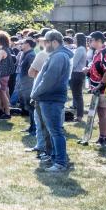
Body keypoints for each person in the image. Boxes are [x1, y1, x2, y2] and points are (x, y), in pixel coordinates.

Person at [29, 30, 73, 172]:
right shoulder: (56, 55)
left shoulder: (59, 56)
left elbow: (49, 79)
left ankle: (60, 162)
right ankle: (54, 157)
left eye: (46, 41)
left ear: (54, 42)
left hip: (51, 98)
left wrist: (35, 93)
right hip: (48, 98)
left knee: (55, 131)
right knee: (52, 130)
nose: (44, 44)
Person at [87, 31, 106, 147]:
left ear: (98, 41)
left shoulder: (105, 52)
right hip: (97, 87)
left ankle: (104, 137)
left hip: (102, 88)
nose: (89, 42)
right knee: (102, 113)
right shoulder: (97, 52)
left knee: (103, 113)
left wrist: (100, 85)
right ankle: (103, 136)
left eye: (91, 40)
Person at [69, 33, 88, 123]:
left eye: (75, 38)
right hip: (78, 73)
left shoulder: (80, 49)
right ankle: (79, 115)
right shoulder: (81, 48)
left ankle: (79, 116)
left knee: (77, 95)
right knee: (77, 95)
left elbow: (74, 63)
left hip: (77, 74)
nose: (73, 39)